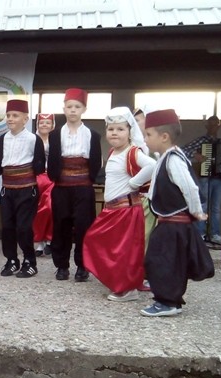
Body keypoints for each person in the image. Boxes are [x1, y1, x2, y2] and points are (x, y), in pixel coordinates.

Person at [141, 109, 214, 317]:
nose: (145, 139)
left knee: (165, 262)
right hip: (167, 223)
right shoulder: (165, 157)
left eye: (148, 134)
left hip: (175, 224)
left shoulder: (174, 159)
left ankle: (167, 302)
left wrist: (197, 211)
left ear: (164, 136)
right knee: (162, 260)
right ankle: (168, 300)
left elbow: (190, 188)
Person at [83, 107, 155, 301]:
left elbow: (152, 165)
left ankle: (128, 289)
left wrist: (134, 183)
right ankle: (121, 281)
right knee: (101, 242)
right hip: (113, 209)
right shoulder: (114, 152)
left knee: (123, 250)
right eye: (111, 129)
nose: (114, 133)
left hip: (126, 210)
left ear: (130, 132)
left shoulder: (132, 152)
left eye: (120, 129)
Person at [47, 88, 102, 282]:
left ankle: (82, 266)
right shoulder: (55, 135)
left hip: (83, 187)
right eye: (69, 106)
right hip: (61, 187)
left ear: (84, 109)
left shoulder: (93, 135)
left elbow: (96, 161)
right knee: (61, 225)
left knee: (83, 226)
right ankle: (62, 266)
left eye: (77, 107)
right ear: (64, 108)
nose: (72, 110)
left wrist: (89, 179)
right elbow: (52, 161)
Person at [0, 99, 46, 278]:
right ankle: (11, 259)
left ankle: (30, 261)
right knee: (7, 226)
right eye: (8, 115)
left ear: (25, 119)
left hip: (27, 189)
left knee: (24, 227)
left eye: (15, 115)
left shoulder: (33, 139)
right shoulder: (2, 140)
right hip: (7, 189)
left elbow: (39, 166)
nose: (10, 119)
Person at [181, 115, 221, 245]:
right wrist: (196, 155)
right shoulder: (201, 140)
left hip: (219, 178)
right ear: (206, 126)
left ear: (219, 126)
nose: (213, 127)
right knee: (203, 205)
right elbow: (182, 150)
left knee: (216, 208)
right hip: (205, 177)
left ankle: (215, 235)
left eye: (215, 124)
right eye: (210, 124)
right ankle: (200, 234)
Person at [33, 113, 55, 257]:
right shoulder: (32, 140)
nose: (44, 125)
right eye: (42, 122)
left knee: (49, 208)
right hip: (36, 178)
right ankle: (39, 243)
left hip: (52, 178)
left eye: (48, 122)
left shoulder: (57, 141)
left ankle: (49, 240)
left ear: (52, 125)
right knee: (36, 210)